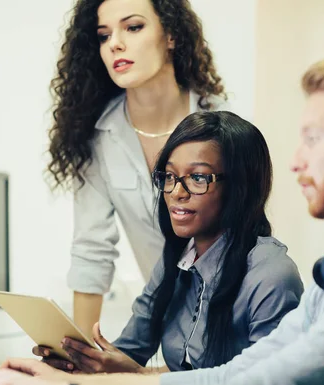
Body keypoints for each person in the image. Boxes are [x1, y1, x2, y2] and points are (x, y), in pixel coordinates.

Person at [0, 56, 324, 384]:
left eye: (313, 139)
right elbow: (241, 372)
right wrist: (95, 375)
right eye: (169, 178)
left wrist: (88, 384)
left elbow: (272, 381)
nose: (296, 162)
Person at [35, 111, 303, 374]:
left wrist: (145, 377)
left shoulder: (270, 276)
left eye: (198, 178)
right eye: (170, 177)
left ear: (240, 187)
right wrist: (77, 360)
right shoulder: (176, 261)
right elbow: (129, 352)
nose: (176, 192)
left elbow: (265, 380)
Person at [46, 0, 228, 335]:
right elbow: (92, 250)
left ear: (171, 34)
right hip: (169, 330)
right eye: (103, 35)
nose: (115, 43)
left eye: (133, 27)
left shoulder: (223, 127)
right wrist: (84, 357)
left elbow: (244, 242)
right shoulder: (97, 136)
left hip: (233, 324)